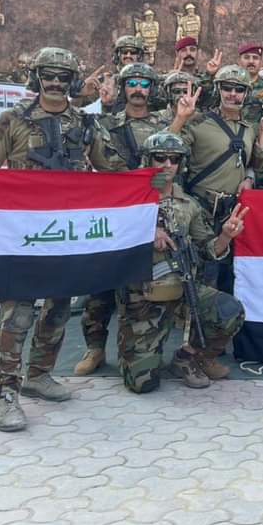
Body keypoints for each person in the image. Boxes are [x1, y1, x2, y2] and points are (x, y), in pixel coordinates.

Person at [0, 46, 126, 432]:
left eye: (64, 77)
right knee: (17, 313)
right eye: (49, 75)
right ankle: (6, 393)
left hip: (66, 235)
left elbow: (114, 170)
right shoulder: (11, 120)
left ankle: (39, 375)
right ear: (36, 77)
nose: (56, 83)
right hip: (22, 235)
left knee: (58, 308)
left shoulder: (86, 124)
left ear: (74, 81)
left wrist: (146, 184)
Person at [118, 132, 248, 392]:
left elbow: (208, 248)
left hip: (183, 288)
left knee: (229, 311)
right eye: (160, 157)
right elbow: (109, 238)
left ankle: (189, 358)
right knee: (142, 384)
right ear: (147, 160)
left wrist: (225, 236)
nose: (167, 164)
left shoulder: (189, 204)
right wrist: (146, 230)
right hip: (143, 297)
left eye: (174, 159)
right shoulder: (128, 200)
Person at [75, 62, 166, 377]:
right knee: (100, 286)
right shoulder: (105, 122)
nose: (138, 89)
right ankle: (95, 348)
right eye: (132, 83)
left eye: (145, 83)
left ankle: (138, 347)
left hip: (150, 209)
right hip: (113, 211)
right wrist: (87, 96)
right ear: (124, 87)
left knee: (140, 284)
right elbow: (76, 129)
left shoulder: (163, 123)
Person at [169, 64, 258, 292]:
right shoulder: (198, 123)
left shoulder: (249, 129)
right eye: (227, 88)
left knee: (233, 277)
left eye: (239, 89)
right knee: (203, 276)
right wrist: (180, 118)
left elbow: (253, 162)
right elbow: (164, 150)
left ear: (246, 93)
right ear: (218, 89)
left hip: (233, 212)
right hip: (202, 210)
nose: (232, 94)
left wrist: (249, 177)